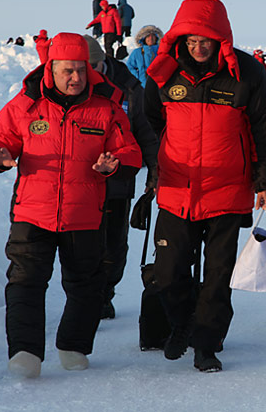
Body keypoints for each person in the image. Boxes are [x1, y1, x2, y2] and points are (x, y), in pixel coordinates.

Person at [0, 32, 143, 379]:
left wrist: (115, 164)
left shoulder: (105, 107)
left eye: (81, 71)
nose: (76, 78)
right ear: (50, 69)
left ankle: (73, 345)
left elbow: (129, 150)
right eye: (68, 71)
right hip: (32, 212)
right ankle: (25, 352)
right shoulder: (26, 104)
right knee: (25, 280)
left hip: (84, 212)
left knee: (85, 284)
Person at [144, 0, 266, 373]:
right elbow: (151, 120)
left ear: (221, 38)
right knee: (169, 271)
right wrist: (163, 158)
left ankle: (206, 344)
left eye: (206, 40)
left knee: (217, 275)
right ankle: (182, 324)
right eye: (190, 41)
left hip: (227, 191)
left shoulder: (246, 73)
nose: (198, 48)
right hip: (176, 191)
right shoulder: (165, 72)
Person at [83, 35, 159, 319]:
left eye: (93, 66)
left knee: (114, 242)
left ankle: (105, 294)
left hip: (117, 181)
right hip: (79, 182)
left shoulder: (129, 87)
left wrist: (155, 172)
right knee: (84, 244)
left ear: (104, 61)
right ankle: (86, 296)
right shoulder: (71, 86)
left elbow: (146, 132)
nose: (86, 74)